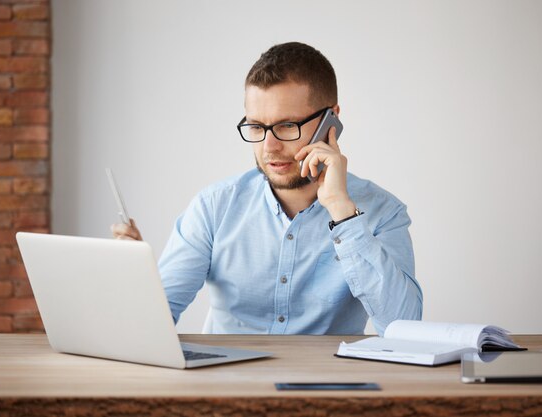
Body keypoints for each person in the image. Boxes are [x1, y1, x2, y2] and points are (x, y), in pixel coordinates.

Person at [111, 42, 422, 336]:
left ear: (331, 120)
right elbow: (151, 326)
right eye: (257, 127)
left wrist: (342, 212)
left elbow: (403, 327)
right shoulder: (214, 207)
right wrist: (135, 283)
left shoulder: (383, 212)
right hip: (226, 385)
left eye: (287, 126)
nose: (269, 147)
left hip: (325, 386)